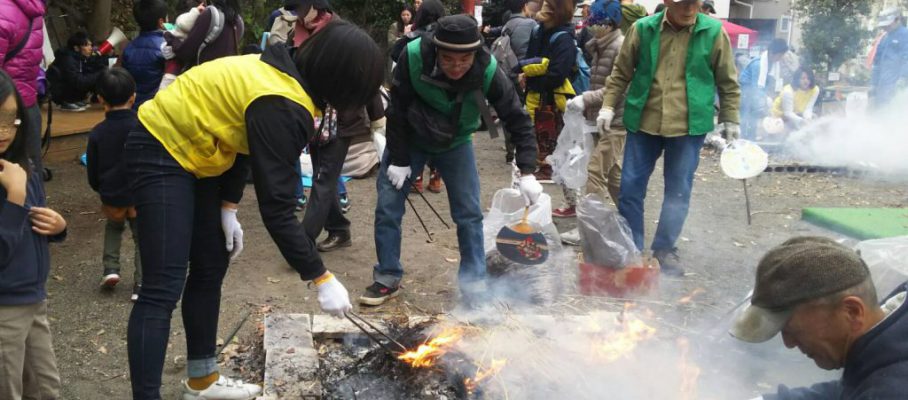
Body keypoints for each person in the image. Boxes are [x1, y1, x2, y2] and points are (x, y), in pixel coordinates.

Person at [125, 21, 382, 399]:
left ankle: (202, 381)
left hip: (203, 150)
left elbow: (242, 138)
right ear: (342, 80)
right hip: (160, 144)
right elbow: (277, 209)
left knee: (211, 262)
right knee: (163, 285)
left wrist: (228, 206)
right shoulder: (283, 101)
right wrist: (320, 277)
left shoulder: (287, 78)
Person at [365, 15, 542, 306]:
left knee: (469, 214)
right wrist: (398, 159)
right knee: (387, 207)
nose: (457, 67)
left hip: (457, 141)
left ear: (475, 53)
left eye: (464, 60)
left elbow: (517, 118)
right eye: (448, 59)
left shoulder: (488, 70)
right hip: (411, 138)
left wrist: (527, 171)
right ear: (436, 50)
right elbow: (396, 110)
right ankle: (387, 276)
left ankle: (474, 285)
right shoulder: (413, 57)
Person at [597, 0, 739, 276]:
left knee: (678, 192)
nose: (689, 8)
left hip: (689, 125)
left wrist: (730, 117)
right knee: (630, 189)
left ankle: (664, 249)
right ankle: (633, 250)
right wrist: (607, 105)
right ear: (667, 2)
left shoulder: (713, 32)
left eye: (694, 2)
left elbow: (727, 80)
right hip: (643, 120)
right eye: (683, 3)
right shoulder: (643, 29)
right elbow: (621, 73)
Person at [730, 236, 908, 399]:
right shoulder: (891, 331)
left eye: (792, 329)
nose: (789, 343)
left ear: (852, 312)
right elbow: (848, 390)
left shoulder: (892, 390)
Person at [0, 69, 67, 400]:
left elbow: (34, 224)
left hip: (33, 296)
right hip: (4, 308)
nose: (3, 130)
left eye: (9, 118)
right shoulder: (12, 182)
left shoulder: (22, 165)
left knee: (45, 388)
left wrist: (58, 228)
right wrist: (14, 198)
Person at [562, 0, 624, 242]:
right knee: (614, 173)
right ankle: (628, 217)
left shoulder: (619, 46)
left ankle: (589, 229)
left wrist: (586, 99)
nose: (594, 27)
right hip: (599, 118)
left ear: (610, 24)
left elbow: (618, 87)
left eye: (598, 23)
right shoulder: (600, 45)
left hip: (616, 120)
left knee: (596, 171)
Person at [86, 68, 142, 301]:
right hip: (139, 193)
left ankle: (111, 269)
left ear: (101, 99)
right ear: (133, 97)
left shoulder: (97, 133)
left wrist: (101, 189)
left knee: (113, 228)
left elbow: (93, 169)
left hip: (112, 192)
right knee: (142, 237)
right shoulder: (142, 126)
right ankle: (141, 283)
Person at [388, 0, 448, 193]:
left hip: (414, 100)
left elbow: (395, 53)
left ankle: (417, 178)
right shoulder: (450, 39)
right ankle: (436, 178)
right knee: (439, 138)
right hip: (442, 102)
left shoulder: (411, 38)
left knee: (415, 137)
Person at [520, 0, 577, 186]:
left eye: (548, 3)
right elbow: (529, 60)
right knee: (536, 132)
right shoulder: (538, 30)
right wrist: (527, 73)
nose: (543, 6)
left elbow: (558, 73)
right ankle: (542, 165)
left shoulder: (564, 37)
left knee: (550, 132)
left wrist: (533, 77)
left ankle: (549, 167)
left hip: (552, 96)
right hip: (534, 93)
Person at [485, 0, 538, 163]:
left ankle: (511, 150)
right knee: (523, 112)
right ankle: (525, 150)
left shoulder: (508, 24)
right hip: (522, 73)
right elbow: (526, 52)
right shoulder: (530, 24)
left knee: (509, 110)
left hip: (506, 71)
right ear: (524, 7)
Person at [0, 0, 46, 171]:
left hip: (5, 111)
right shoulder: (33, 10)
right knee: (29, 173)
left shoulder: (2, 12)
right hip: (28, 106)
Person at [172, 0, 244, 70]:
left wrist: (171, 38)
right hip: (224, 78)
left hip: (204, 78)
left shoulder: (210, 15)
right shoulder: (238, 22)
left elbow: (184, 53)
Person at [739, 38, 787, 140]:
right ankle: (743, 138)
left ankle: (751, 137)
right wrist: (766, 98)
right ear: (772, 53)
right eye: (780, 55)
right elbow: (755, 87)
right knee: (746, 116)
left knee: (754, 116)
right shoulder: (758, 64)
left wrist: (770, 96)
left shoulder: (772, 64)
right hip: (746, 91)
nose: (781, 58)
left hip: (756, 92)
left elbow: (768, 83)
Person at [121, 0, 166, 109]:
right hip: (157, 108)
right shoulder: (166, 47)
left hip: (134, 107)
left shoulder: (128, 48)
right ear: (161, 22)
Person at [46, 32, 106, 111]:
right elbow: (78, 82)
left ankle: (74, 100)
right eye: (86, 45)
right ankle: (66, 101)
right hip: (59, 92)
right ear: (76, 48)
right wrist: (99, 74)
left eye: (90, 45)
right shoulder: (68, 60)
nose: (90, 48)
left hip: (69, 89)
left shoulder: (79, 57)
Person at [870, 7, 908, 107]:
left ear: (897, 20)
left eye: (888, 24)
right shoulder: (884, 38)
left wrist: (903, 78)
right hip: (882, 86)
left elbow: (906, 59)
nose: (885, 27)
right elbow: (877, 63)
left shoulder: (905, 35)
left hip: (897, 86)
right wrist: (873, 84)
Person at [770, 68, 819, 132]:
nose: (806, 81)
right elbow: (788, 113)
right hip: (779, 116)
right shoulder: (788, 91)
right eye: (803, 78)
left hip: (796, 114)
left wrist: (808, 119)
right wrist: (802, 121)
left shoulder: (815, 90)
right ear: (797, 79)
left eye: (808, 78)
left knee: (813, 118)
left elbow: (808, 108)